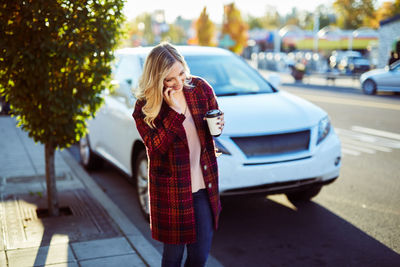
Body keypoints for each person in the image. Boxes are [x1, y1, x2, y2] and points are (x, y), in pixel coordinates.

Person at [132, 42, 224, 267]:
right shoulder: (144, 107)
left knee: (199, 257)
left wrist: (219, 125)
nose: (178, 83)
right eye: (169, 79)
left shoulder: (201, 89)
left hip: (203, 187)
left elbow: (214, 125)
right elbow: (155, 148)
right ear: (157, 79)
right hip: (172, 192)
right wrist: (174, 113)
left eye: (181, 74)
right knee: (172, 258)